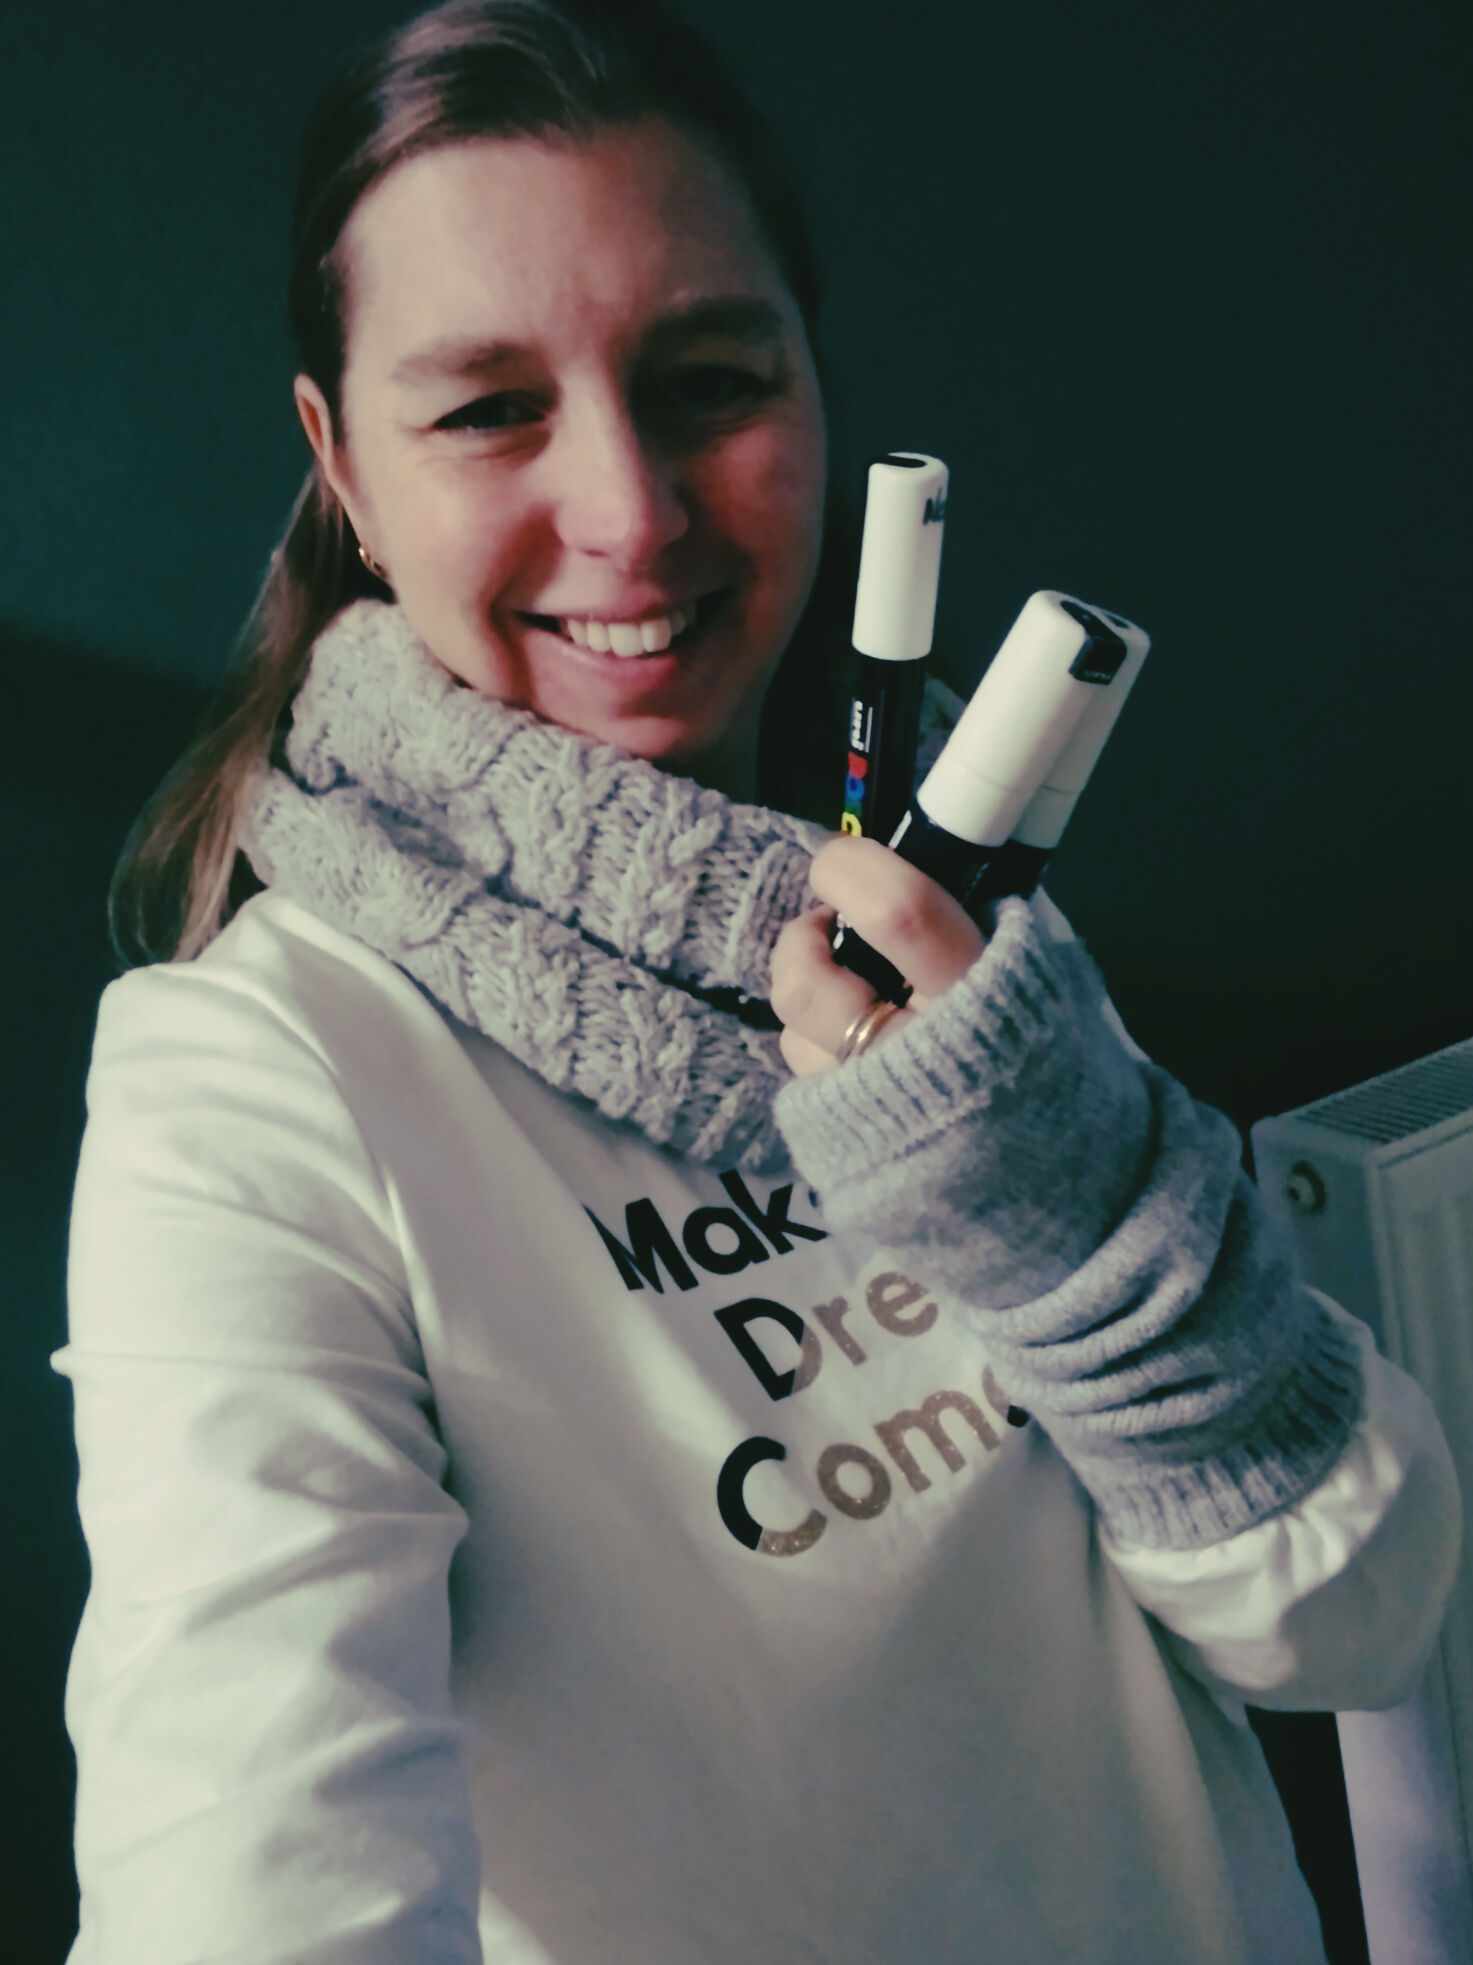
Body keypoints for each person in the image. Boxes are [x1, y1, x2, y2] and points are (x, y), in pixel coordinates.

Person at [54, 2, 1460, 1960]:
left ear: (814, 384)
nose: (630, 512)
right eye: (486, 409)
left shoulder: (956, 916)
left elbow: (1353, 1614)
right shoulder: (253, 1080)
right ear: (341, 465)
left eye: (707, 378)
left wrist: (1053, 1183)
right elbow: (252, 1884)